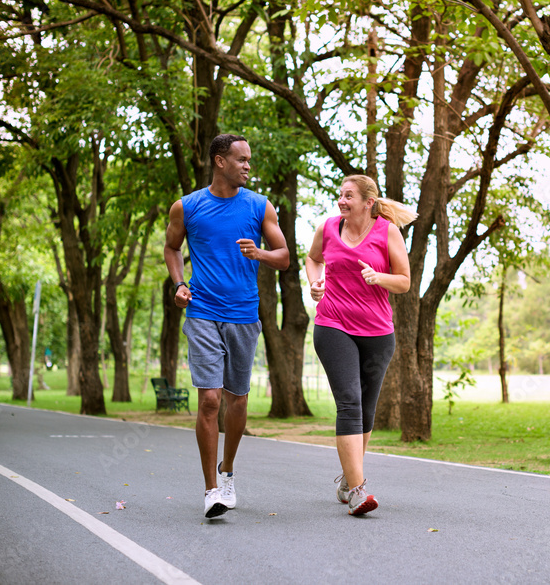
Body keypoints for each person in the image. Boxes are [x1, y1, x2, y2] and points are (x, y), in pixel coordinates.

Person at [163, 134, 289, 519]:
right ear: (220, 161)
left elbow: (283, 257)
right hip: (201, 311)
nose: (248, 166)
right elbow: (172, 249)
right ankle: (211, 490)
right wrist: (179, 285)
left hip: (244, 314)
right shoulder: (187, 207)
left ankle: (228, 470)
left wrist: (260, 253)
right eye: (242, 159)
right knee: (210, 399)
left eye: (249, 160)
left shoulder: (258, 205)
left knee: (238, 399)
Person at [305, 175, 416, 515]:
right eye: (340, 194)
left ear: (368, 202)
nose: (341, 200)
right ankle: (357, 490)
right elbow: (312, 260)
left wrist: (378, 277)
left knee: (366, 410)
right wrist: (315, 284)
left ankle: (347, 480)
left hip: (378, 333)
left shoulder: (387, 232)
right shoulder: (327, 228)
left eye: (348, 195)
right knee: (349, 403)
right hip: (333, 325)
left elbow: (405, 281)